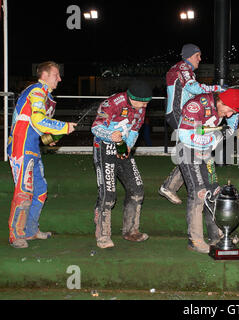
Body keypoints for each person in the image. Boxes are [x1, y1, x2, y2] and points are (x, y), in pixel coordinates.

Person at [7, 61, 77, 248]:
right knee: (24, 191)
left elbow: (35, 123)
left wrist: (49, 137)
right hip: (21, 148)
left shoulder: (44, 95)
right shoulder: (37, 91)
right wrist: (64, 126)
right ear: (44, 76)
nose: (60, 78)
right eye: (56, 75)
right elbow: (38, 120)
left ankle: (30, 230)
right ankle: (16, 234)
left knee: (40, 191)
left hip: (32, 148)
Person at [177, 88, 239, 253]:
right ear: (221, 101)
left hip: (205, 152)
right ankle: (195, 240)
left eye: (232, 112)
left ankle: (217, 236)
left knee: (214, 192)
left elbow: (232, 125)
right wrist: (214, 138)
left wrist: (227, 131)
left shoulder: (229, 107)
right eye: (228, 110)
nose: (228, 116)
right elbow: (184, 135)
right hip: (187, 149)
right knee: (199, 193)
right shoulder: (197, 105)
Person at [159, 44, 225, 205]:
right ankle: (170, 186)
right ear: (190, 56)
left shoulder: (184, 69)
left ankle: (169, 186)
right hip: (178, 114)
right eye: (198, 56)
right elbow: (193, 88)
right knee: (191, 151)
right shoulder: (183, 68)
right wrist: (217, 88)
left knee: (191, 151)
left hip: (181, 114)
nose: (200, 59)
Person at [91, 81, 152, 249]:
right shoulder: (112, 103)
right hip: (104, 148)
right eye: (143, 101)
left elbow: (135, 130)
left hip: (123, 148)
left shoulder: (141, 107)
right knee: (108, 193)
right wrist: (111, 135)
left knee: (137, 189)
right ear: (133, 98)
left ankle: (131, 231)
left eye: (147, 102)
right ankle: (103, 235)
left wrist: (129, 145)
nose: (145, 105)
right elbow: (95, 128)